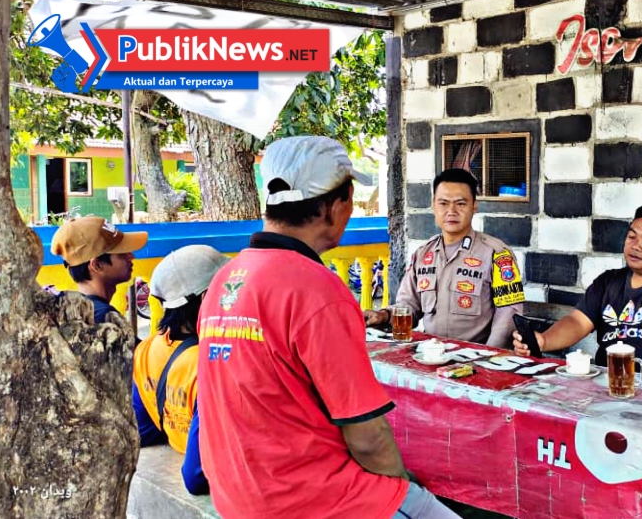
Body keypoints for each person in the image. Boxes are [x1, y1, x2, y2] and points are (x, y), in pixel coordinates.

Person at [195, 136, 460, 519]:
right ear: (334, 207)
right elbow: (368, 438)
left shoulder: (227, 278)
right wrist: (402, 485)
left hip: (239, 495)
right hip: (314, 499)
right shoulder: (316, 288)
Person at [513, 202, 642, 384]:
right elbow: (578, 322)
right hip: (614, 387)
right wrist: (543, 341)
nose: (636, 246)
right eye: (631, 237)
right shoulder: (609, 282)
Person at [364, 168, 524, 348]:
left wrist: (488, 358)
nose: (451, 211)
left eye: (461, 204)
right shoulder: (423, 254)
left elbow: (508, 314)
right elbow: (409, 306)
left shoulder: (497, 254)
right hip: (431, 353)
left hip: (477, 358)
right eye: (443, 203)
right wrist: (384, 315)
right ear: (433, 205)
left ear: (474, 206)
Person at [132, 245, 229, 495]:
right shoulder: (211, 367)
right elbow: (195, 477)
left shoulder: (145, 349)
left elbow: (143, 430)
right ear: (206, 297)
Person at [50, 216, 147, 324]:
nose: (131, 256)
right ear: (97, 265)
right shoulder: (104, 319)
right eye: (122, 254)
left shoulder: (72, 311)